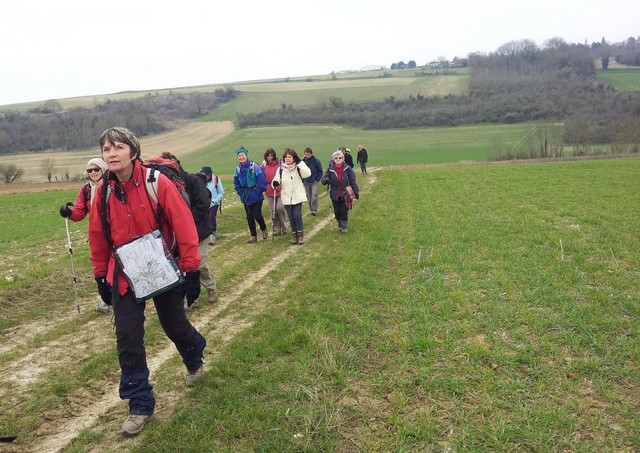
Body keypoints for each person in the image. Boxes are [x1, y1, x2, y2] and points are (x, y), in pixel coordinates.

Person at [88, 127, 207, 437]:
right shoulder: (102, 193)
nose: (111, 154)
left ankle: (194, 357)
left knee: (174, 326)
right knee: (128, 339)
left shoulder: (157, 182)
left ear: (133, 151)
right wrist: (100, 274)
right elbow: (97, 235)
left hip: (161, 267)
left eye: (117, 147)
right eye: (106, 149)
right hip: (124, 274)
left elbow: (183, 224)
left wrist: (191, 269)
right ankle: (140, 404)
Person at [160, 152, 217, 308]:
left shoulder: (193, 180)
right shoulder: (164, 185)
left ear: (177, 164)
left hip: (199, 231)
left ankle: (211, 286)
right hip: (179, 235)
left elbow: (203, 203)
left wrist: (185, 220)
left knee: (199, 264)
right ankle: (192, 297)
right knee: (185, 266)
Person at [59, 157, 111, 313]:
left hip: (114, 230)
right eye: (90, 170)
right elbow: (80, 211)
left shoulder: (112, 185)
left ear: (103, 169)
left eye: (96, 169)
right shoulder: (86, 190)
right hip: (96, 234)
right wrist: (69, 213)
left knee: (117, 264)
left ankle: (121, 297)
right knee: (100, 267)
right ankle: (106, 299)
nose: (93, 172)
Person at [272, 148, 311, 245]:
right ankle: (294, 236)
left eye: (290, 157)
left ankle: (300, 235)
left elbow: (308, 173)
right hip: (287, 197)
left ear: (294, 158)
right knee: (291, 217)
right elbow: (275, 181)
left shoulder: (298, 168)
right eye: (286, 157)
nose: (287, 158)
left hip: (297, 197)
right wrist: (275, 183)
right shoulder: (281, 170)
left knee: (297, 216)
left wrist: (300, 162)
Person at [233, 146, 268, 243]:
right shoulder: (237, 169)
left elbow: (261, 181)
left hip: (256, 195)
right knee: (249, 217)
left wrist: (257, 192)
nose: (241, 157)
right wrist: (240, 193)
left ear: (246, 155)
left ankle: (263, 228)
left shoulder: (254, 167)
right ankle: (253, 236)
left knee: (257, 215)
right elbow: (236, 183)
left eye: (243, 155)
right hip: (245, 196)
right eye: (239, 155)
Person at [321, 150, 360, 233]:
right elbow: (323, 178)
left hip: (345, 193)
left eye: (340, 158)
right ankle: (339, 222)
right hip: (334, 193)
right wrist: (326, 180)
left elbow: (353, 181)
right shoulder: (330, 169)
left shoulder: (347, 168)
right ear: (333, 159)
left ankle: (344, 226)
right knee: (337, 212)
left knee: (343, 211)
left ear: (343, 159)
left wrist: (356, 192)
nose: (338, 159)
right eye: (336, 158)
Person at [261, 148, 288, 236]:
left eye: (271, 156)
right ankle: (277, 229)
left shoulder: (280, 164)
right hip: (269, 190)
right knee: (273, 210)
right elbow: (261, 176)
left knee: (280, 208)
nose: (270, 157)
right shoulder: (264, 165)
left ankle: (284, 227)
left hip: (280, 189)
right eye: (268, 156)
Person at [201, 166, 224, 244]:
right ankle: (206, 234)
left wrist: (214, 201)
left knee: (211, 217)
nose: (206, 176)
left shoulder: (216, 179)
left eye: (207, 175)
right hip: (204, 203)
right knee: (204, 218)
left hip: (214, 203)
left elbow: (221, 192)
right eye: (204, 175)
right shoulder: (199, 180)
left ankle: (213, 234)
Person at [302, 147, 323, 216]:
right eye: (306, 154)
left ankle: (314, 210)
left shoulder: (316, 161)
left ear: (311, 154)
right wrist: (303, 180)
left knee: (314, 195)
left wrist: (317, 179)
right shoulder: (302, 162)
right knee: (309, 197)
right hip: (306, 182)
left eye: (308, 154)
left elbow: (320, 171)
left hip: (314, 181)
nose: (307, 156)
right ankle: (311, 208)